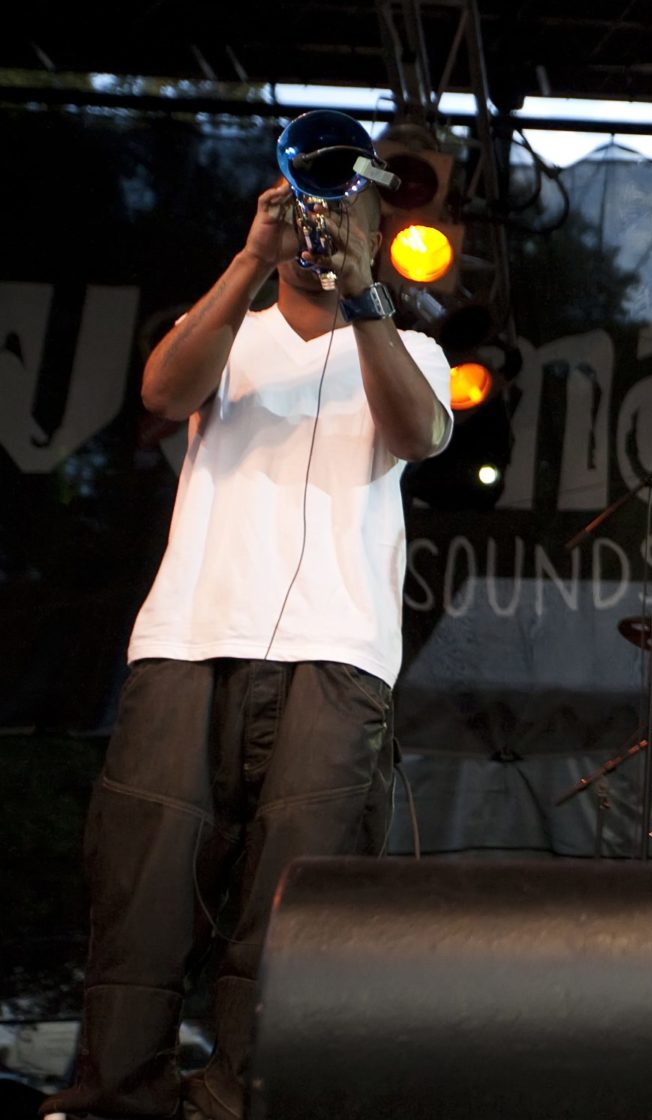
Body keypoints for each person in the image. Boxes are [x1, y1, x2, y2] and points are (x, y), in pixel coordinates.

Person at [46, 172, 452, 1120]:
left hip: (336, 656)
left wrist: (362, 298)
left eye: (347, 212)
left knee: (292, 908)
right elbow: (159, 388)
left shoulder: (410, 345)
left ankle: (243, 1101)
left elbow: (422, 434)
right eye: (311, 205)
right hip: (191, 637)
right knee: (145, 888)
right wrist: (247, 259)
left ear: (374, 234)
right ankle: (120, 1096)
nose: (324, 226)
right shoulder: (226, 328)